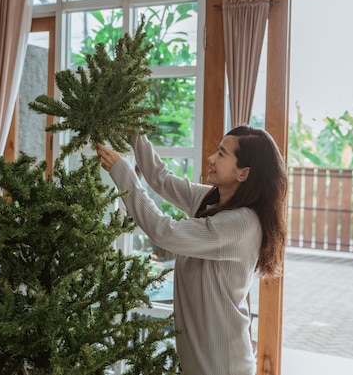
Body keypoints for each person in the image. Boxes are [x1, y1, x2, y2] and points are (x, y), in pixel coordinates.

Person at [96, 125, 288, 375]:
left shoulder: (240, 224)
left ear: (243, 173)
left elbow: (164, 232)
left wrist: (122, 171)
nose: (211, 159)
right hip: (202, 360)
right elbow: (161, 179)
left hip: (223, 366)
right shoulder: (213, 201)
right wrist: (134, 131)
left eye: (221, 154)